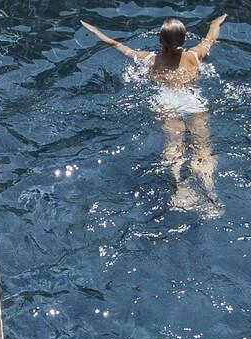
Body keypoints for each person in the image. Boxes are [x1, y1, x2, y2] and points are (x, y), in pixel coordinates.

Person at [82, 13, 227, 215]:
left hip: (167, 104)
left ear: (160, 40)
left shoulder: (151, 59)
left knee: (174, 147)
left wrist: (95, 31)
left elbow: (118, 45)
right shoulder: (194, 56)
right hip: (193, 102)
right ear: (184, 39)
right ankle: (211, 194)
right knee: (203, 150)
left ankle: (180, 189)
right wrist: (215, 23)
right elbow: (210, 38)